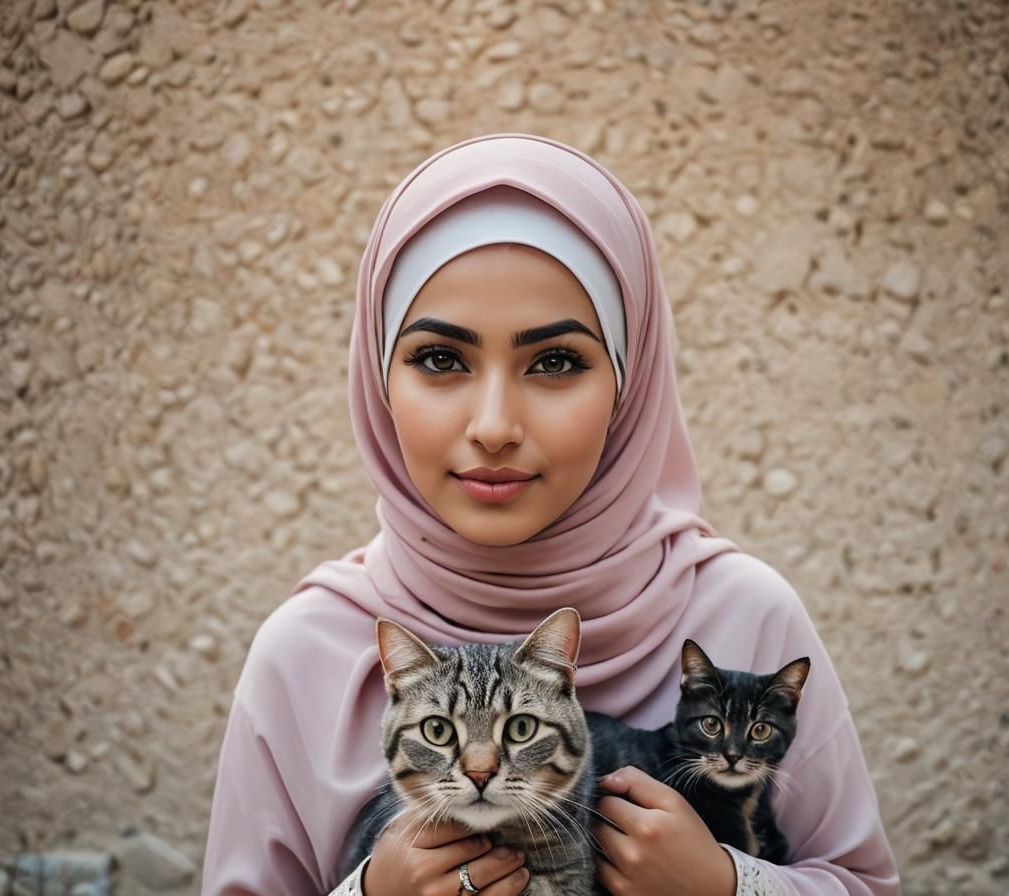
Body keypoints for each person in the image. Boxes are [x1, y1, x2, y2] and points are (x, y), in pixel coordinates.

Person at [200, 133, 899, 896]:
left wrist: (724, 884)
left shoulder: (747, 616)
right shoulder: (303, 653)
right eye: (440, 359)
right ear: (378, 380)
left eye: (556, 361)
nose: (494, 425)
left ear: (629, 382)